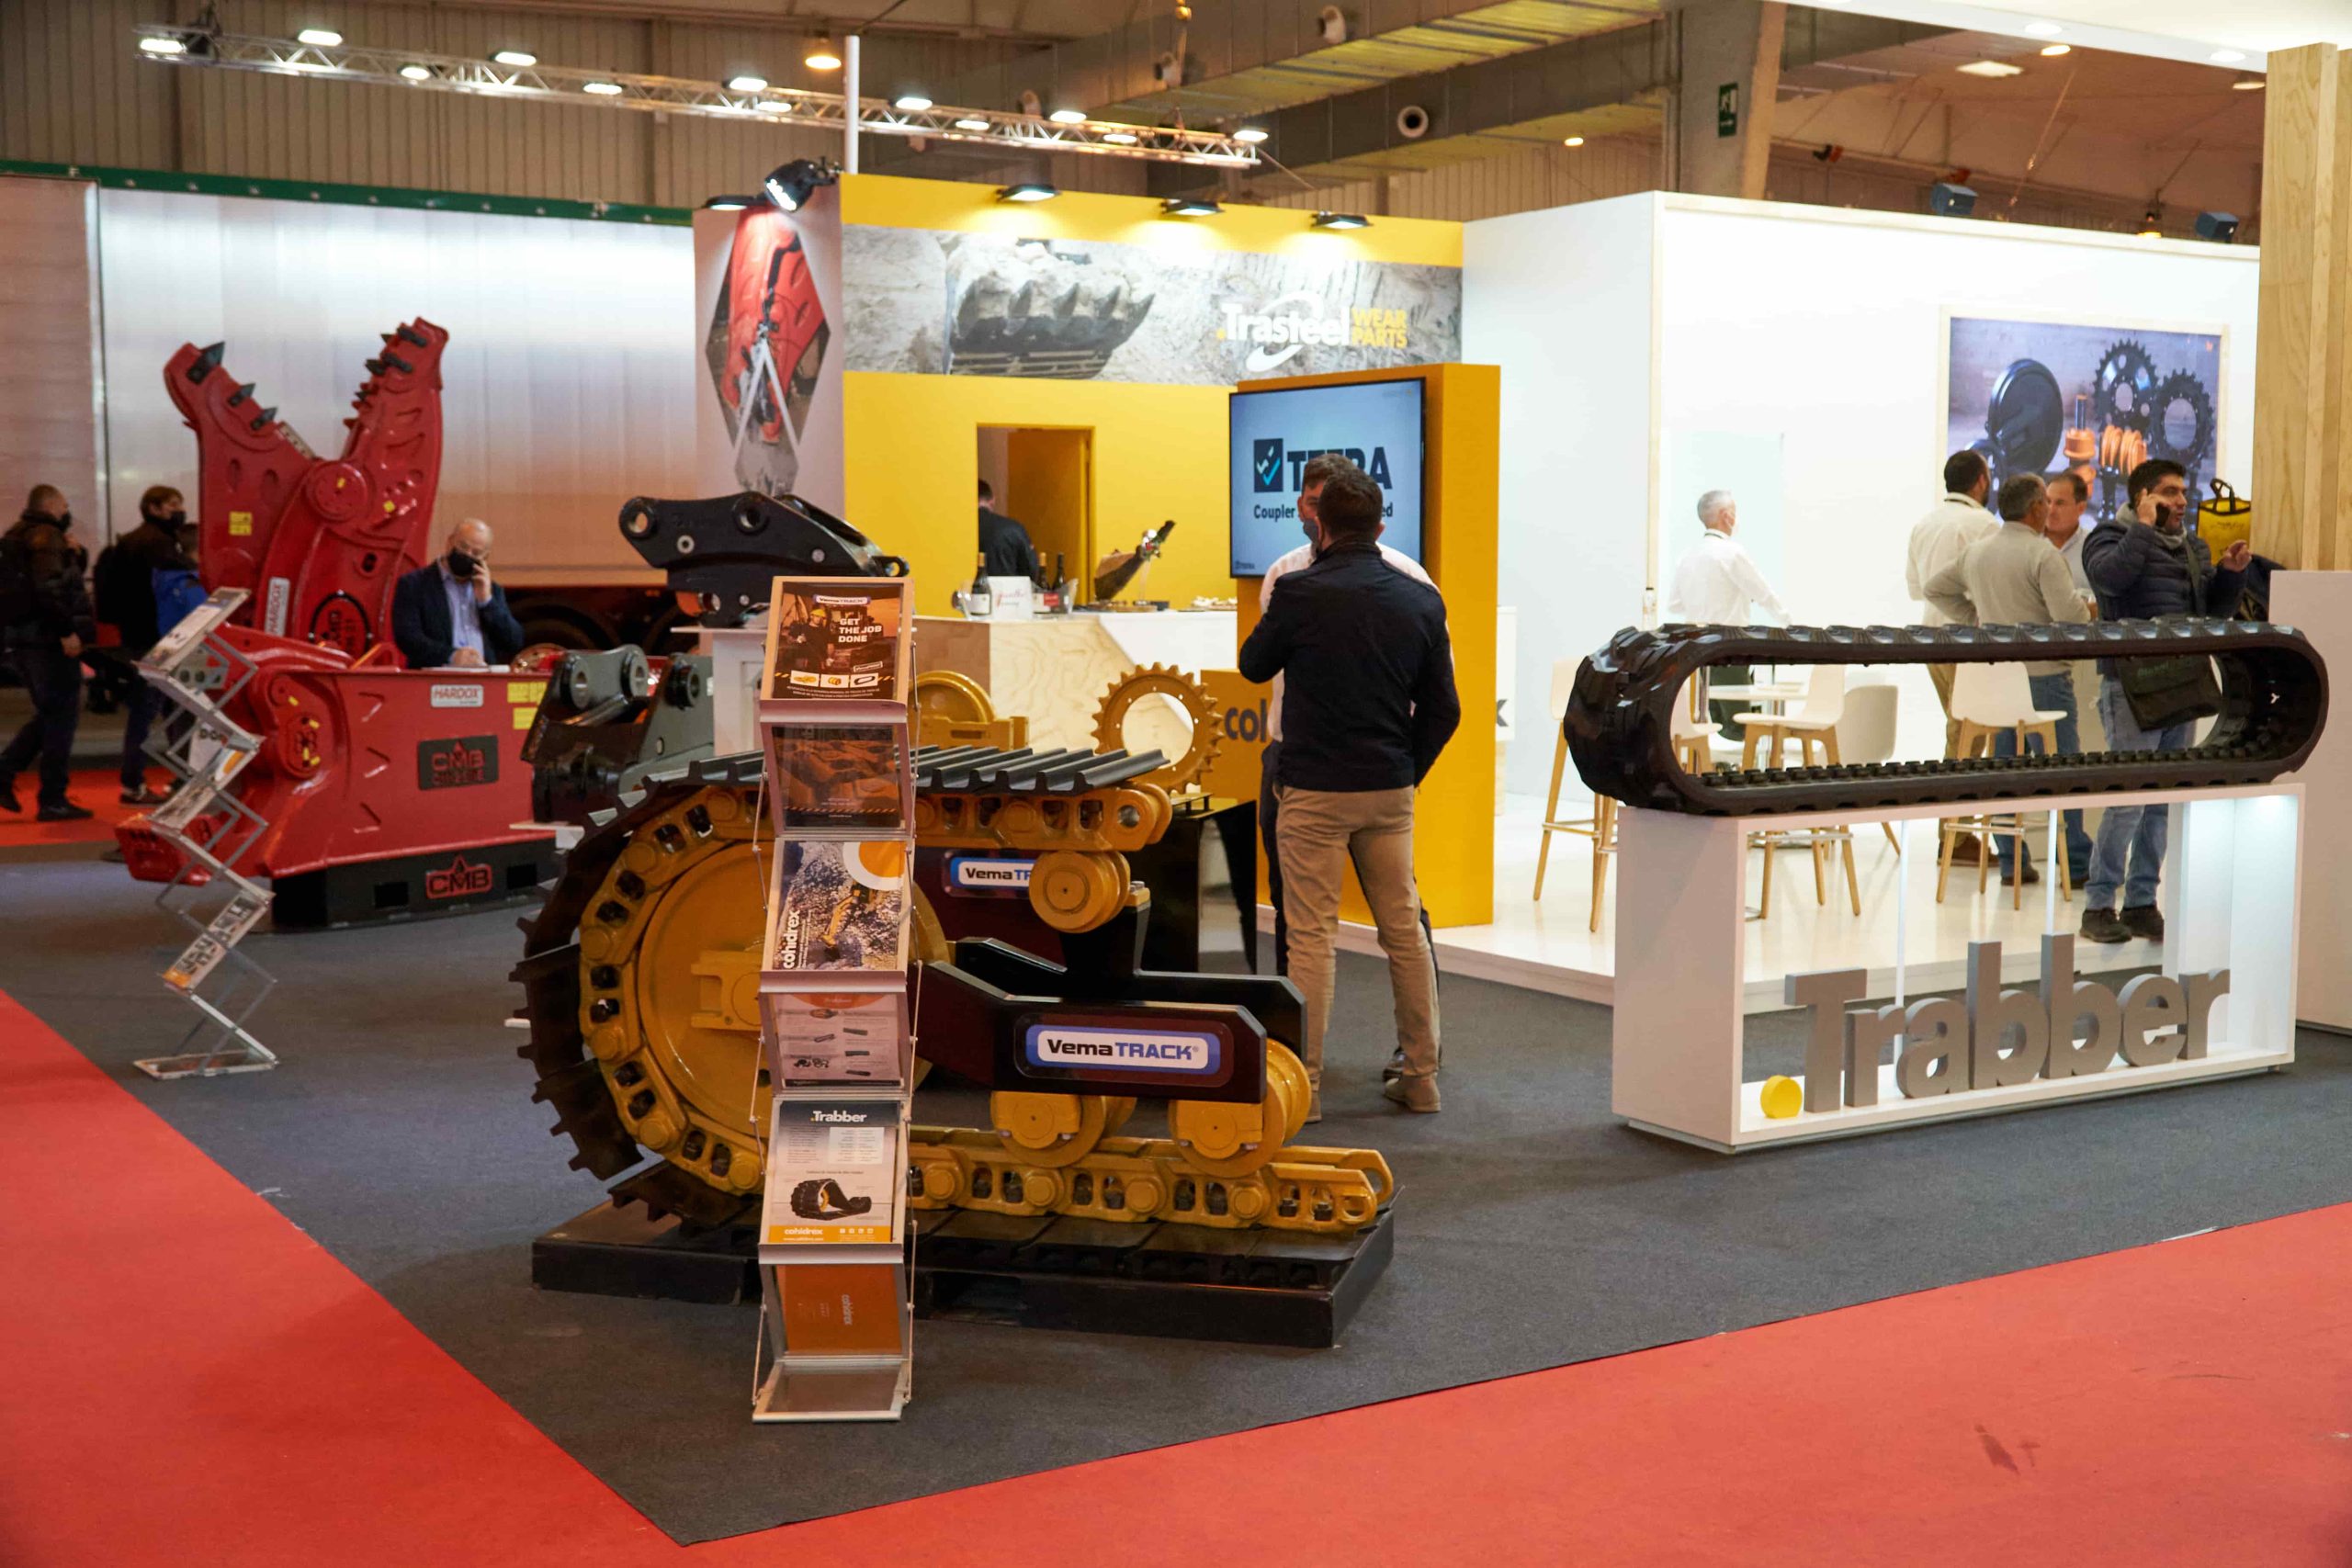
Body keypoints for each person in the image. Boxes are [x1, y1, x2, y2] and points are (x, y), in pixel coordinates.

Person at [1239, 457, 1459, 1118]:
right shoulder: (1420, 597)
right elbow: (1445, 710)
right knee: (1404, 932)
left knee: (1310, 937)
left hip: (1312, 788)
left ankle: (1303, 1088)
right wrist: (1405, 771)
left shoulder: (1297, 590)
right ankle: (1422, 1076)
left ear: (1322, 524)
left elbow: (1253, 665)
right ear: (1380, 525)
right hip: (1388, 789)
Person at [1257, 452, 1438, 979]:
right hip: (1295, 758)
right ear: (1300, 505)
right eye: (1311, 502)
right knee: (1292, 905)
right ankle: (1292, 1024)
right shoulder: (1284, 574)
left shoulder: (1408, 577)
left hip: (1375, 763)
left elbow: (1437, 694)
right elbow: (1265, 665)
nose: (1316, 515)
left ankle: (1418, 1030)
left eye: (1325, 505)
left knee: (1400, 913)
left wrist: (1407, 766)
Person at [2077, 457, 2251, 944]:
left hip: (2185, 682)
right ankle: (2098, 905)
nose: (2181, 502)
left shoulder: (2193, 546)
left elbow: (2210, 612)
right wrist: (2143, 528)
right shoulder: (2109, 537)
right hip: (2130, 685)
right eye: (2170, 493)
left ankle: (2140, 902)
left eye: (2183, 493)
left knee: (2163, 801)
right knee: (2127, 799)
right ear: (2144, 497)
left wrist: (2231, 575)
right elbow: (2111, 580)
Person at [1921, 473, 2093, 887]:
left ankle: (2013, 863)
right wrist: (2089, 608)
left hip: (1995, 682)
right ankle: (2074, 864)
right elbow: (2070, 618)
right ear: (2035, 509)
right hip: (2044, 678)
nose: (2049, 509)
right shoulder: (2042, 554)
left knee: (2004, 772)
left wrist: (1976, 620)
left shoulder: (1978, 552)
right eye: (2045, 503)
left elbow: (1935, 589)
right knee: (2063, 771)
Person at [94, 486, 196, 805]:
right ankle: (141, 782)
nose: (179, 509)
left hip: (135, 636)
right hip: (158, 639)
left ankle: (151, 780)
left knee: (151, 709)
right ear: (154, 507)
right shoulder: (159, 545)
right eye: (173, 504)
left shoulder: (129, 542)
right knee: (161, 710)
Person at [0, 485, 96, 820]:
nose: (67, 512)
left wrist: (76, 554)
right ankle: (52, 798)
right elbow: (50, 587)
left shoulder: (15, 535)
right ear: (52, 505)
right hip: (47, 640)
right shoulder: (47, 537)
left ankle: (6, 771)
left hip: (22, 638)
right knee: (61, 717)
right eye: (65, 505)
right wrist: (66, 631)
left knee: (51, 713)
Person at [1666, 490, 1788, 739]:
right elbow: (1764, 594)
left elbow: (1675, 605)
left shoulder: (1687, 556)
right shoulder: (1732, 553)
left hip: (1696, 649)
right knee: (1739, 724)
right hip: (1729, 647)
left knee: (1711, 717)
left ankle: (1711, 760)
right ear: (1727, 516)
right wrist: (1790, 623)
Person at [390, 518, 526, 669]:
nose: (467, 554)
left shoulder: (491, 589)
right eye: (463, 546)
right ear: (450, 543)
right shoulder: (415, 584)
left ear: (485, 558)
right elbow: (407, 637)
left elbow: (514, 641)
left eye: (476, 553)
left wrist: (486, 601)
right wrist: (451, 655)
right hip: (435, 677)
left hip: (482, 676)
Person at [976, 479, 1040, 581]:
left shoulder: (962, 529)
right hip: (1010, 590)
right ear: (992, 501)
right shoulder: (1014, 528)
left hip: (971, 589)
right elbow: (1031, 569)